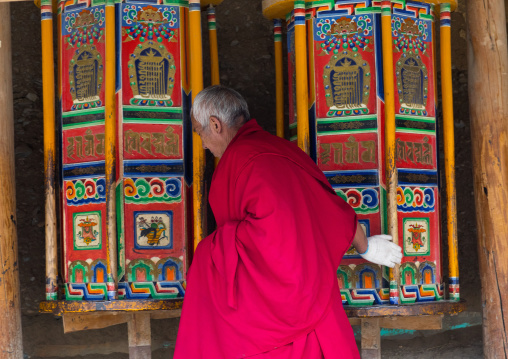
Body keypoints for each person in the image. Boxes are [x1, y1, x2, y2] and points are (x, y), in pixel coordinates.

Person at [174, 85, 402, 358]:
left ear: (215, 124)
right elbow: (328, 207)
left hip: (276, 303)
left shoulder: (238, 160)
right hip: (314, 290)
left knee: (206, 264)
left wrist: (210, 250)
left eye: (201, 133)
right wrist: (365, 246)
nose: (203, 144)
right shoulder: (284, 149)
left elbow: (270, 235)